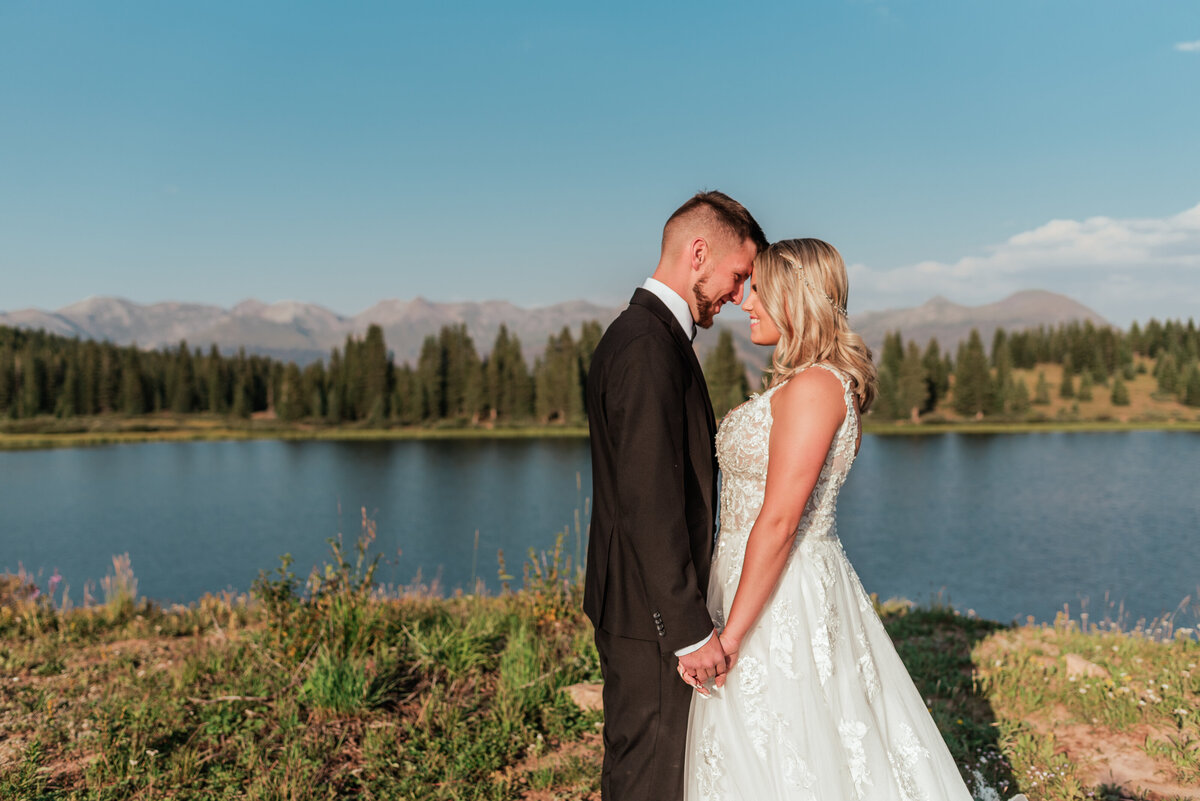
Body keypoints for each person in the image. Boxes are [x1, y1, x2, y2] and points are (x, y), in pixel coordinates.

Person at [682, 239, 992, 800]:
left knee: (792, 743)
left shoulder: (815, 387)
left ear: (798, 300)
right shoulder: (806, 382)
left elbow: (779, 521)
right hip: (752, 577)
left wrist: (729, 639)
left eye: (761, 292)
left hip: (780, 595)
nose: (747, 304)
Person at [585, 191, 767, 801]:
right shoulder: (646, 347)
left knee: (644, 770)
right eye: (738, 275)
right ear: (698, 253)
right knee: (649, 780)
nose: (738, 294)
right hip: (649, 614)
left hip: (639, 606)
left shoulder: (651, 336)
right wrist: (689, 630)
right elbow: (648, 501)